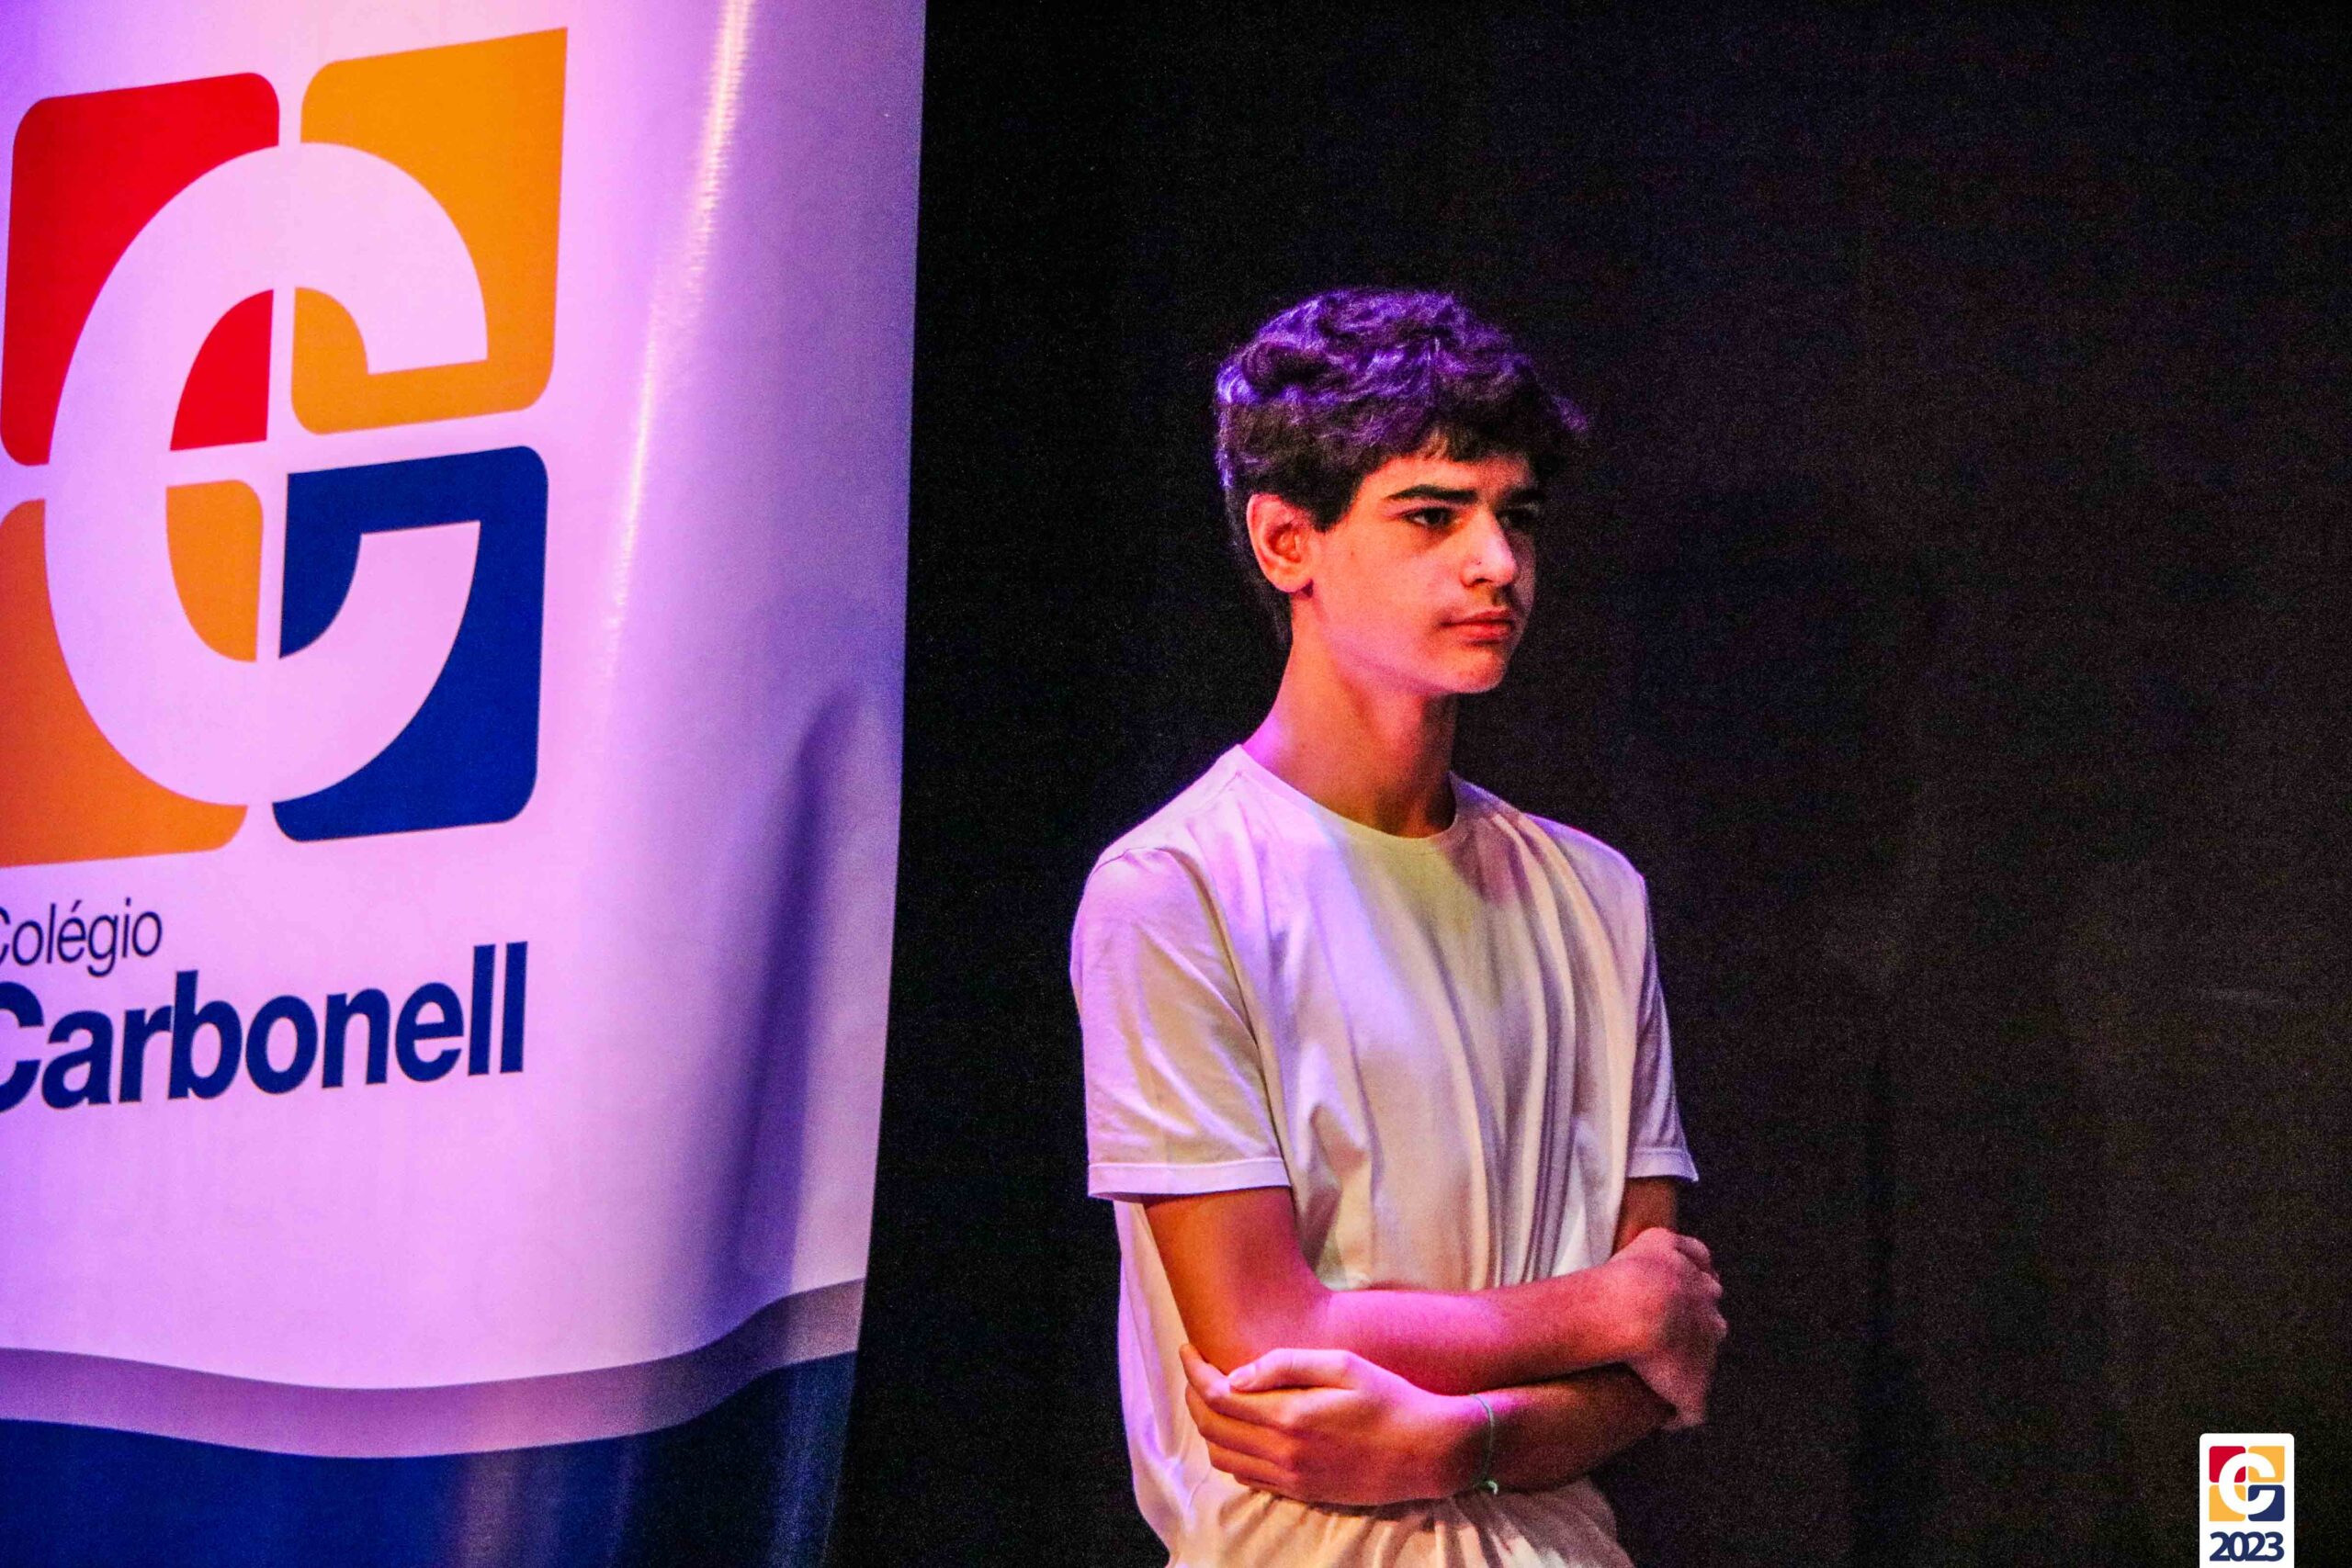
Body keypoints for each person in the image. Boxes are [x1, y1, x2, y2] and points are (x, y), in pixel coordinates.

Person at [1069, 288, 1725, 1566]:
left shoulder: (1596, 895)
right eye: (1433, 516)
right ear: (1286, 541)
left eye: (1515, 517)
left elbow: (1661, 1367)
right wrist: (1603, 1308)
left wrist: (1451, 1445)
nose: (1497, 564)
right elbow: (1265, 1334)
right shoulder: (1178, 886)